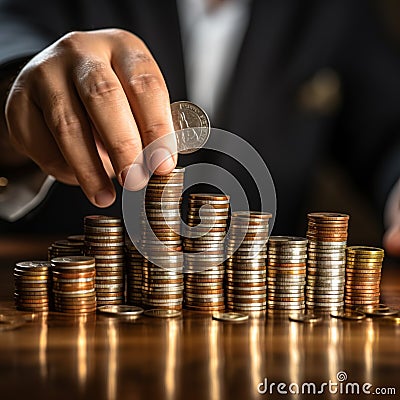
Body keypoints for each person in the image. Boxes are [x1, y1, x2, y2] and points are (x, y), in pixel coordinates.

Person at [0, 0, 399, 256]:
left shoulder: (337, 12)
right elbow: (14, 43)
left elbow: (387, 128)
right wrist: (15, 115)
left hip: (262, 324)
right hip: (86, 303)